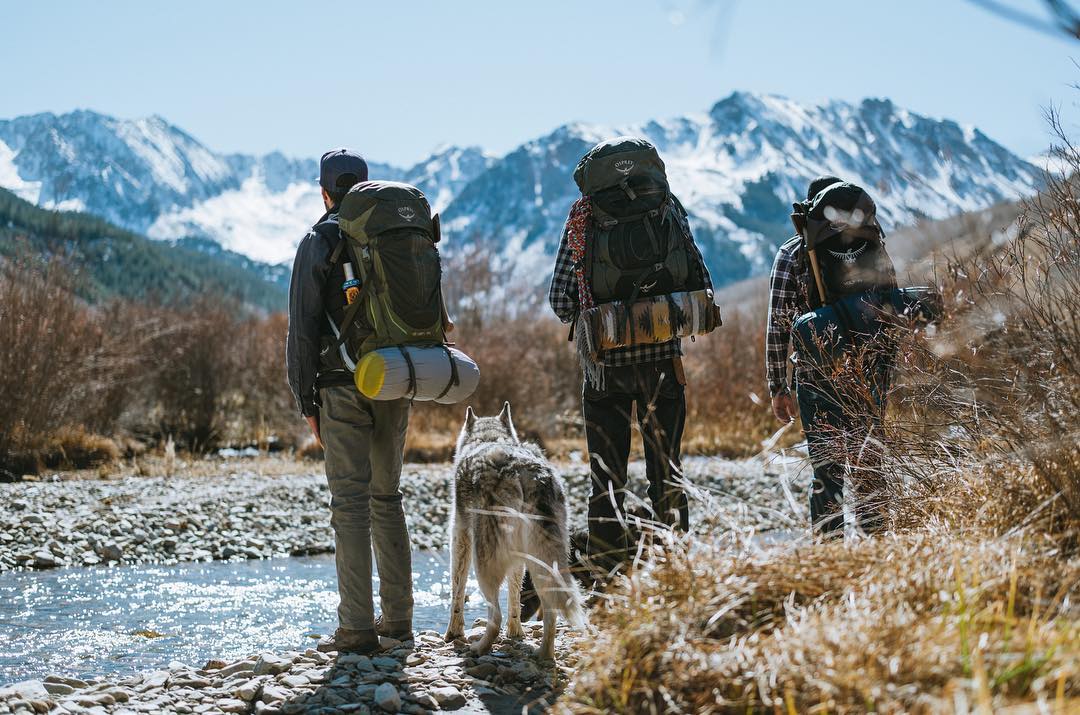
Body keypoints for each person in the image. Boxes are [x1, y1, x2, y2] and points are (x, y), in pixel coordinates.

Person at [548, 137, 713, 578]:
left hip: (604, 371)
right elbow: (699, 276)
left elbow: (561, 301)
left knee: (606, 479)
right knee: (667, 473)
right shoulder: (667, 205)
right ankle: (674, 574)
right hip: (664, 363)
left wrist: (604, 312)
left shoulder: (583, 215)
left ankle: (606, 579)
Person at [286, 149, 413, 654]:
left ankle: (357, 628)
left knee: (350, 504)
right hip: (398, 379)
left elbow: (302, 328)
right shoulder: (395, 234)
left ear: (324, 191)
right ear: (365, 185)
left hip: (342, 386)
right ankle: (400, 622)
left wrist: (306, 402)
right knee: (388, 498)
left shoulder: (320, 239)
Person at [765, 176, 896, 538]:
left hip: (816, 373)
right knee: (870, 459)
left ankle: (829, 555)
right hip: (870, 367)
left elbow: (779, 325)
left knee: (827, 468)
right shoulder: (872, 242)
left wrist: (778, 385)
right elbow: (892, 305)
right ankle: (879, 548)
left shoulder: (793, 253)